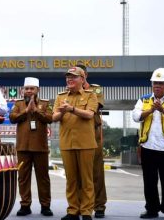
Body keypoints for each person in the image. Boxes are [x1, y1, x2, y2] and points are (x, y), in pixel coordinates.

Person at [132, 68, 164, 220]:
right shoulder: (144, 99)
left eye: (161, 83)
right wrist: (150, 110)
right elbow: (135, 116)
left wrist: (163, 110)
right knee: (149, 181)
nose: (157, 86)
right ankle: (151, 209)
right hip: (148, 147)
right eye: (155, 83)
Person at [52, 67, 98, 220]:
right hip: (67, 143)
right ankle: (73, 211)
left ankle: (86, 212)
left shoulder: (91, 95)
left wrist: (71, 109)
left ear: (82, 79)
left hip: (86, 143)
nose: (69, 80)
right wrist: (63, 111)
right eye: (67, 77)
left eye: (73, 77)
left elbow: (89, 114)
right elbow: (54, 117)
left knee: (86, 180)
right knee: (71, 180)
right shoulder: (61, 96)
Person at [10, 77, 54, 217]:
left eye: (32, 88)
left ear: (37, 90)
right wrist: (26, 111)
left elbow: (50, 118)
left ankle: (45, 206)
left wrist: (35, 110)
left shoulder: (45, 104)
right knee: (23, 178)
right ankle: (25, 205)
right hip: (23, 147)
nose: (29, 91)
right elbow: (12, 118)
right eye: (27, 88)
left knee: (43, 178)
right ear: (23, 90)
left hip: (40, 148)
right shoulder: (18, 104)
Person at [76, 63, 107, 218]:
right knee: (79, 173)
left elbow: (95, 106)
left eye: (78, 75)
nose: (75, 78)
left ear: (85, 76)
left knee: (96, 172)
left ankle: (99, 205)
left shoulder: (95, 90)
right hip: (77, 134)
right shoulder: (70, 92)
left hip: (93, 134)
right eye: (73, 76)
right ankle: (82, 206)